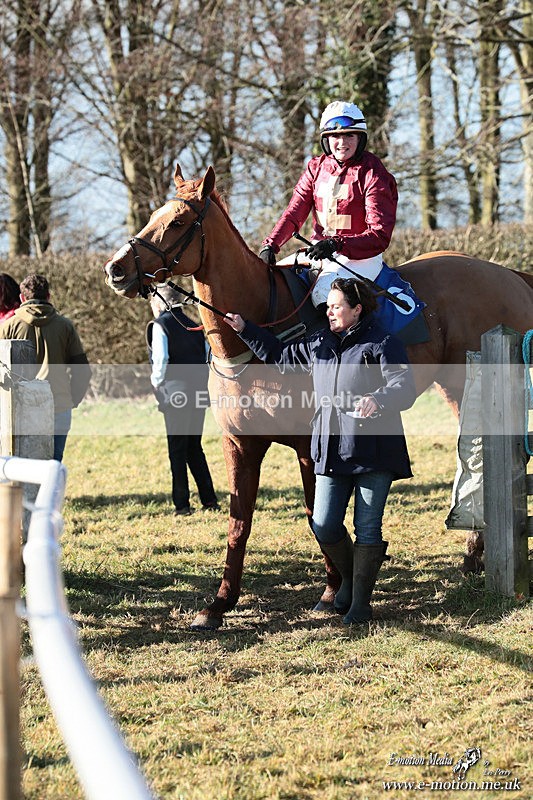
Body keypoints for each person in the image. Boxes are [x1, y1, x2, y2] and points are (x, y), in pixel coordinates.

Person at [224, 277, 415, 624]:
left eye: (337, 306)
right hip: (329, 447)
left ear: (357, 309)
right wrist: (244, 329)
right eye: (328, 306)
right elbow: (281, 357)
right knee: (324, 524)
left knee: (367, 527)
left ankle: (360, 602)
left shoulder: (383, 342)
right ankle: (350, 584)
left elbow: (405, 388)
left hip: (374, 449)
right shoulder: (318, 342)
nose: (330, 311)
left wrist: (379, 399)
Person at [259, 100, 398, 308]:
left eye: (349, 135)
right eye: (335, 136)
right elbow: (294, 213)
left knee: (325, 295)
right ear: (326, 139)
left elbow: (379, 235)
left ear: (360, 138)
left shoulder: (374, 173)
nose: (342, 142)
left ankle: (343, 341)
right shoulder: (316, 168)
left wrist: (336, 244)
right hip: (319, 251)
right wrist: (271, 244)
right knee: (269, 284)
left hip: (361, 258)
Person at [0, 273, 91, 461]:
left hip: (19, 407)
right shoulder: (65, 326)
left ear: (22, 298)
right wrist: (72, 399)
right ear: (48, 296)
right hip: (59, 404)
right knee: (53, 464)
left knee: (21, 466)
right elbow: (82, 370)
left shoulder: (8, 326)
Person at [147, 284, 219, 516]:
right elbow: (208, 356)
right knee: (194, 447)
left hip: (175, 394)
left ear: (159, 303)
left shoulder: (161, 325)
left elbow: (161, 360)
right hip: (198, 392)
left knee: (177, 450)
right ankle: (209, 500)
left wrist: (156, 383)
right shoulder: (195, 324)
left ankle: (182, 504)